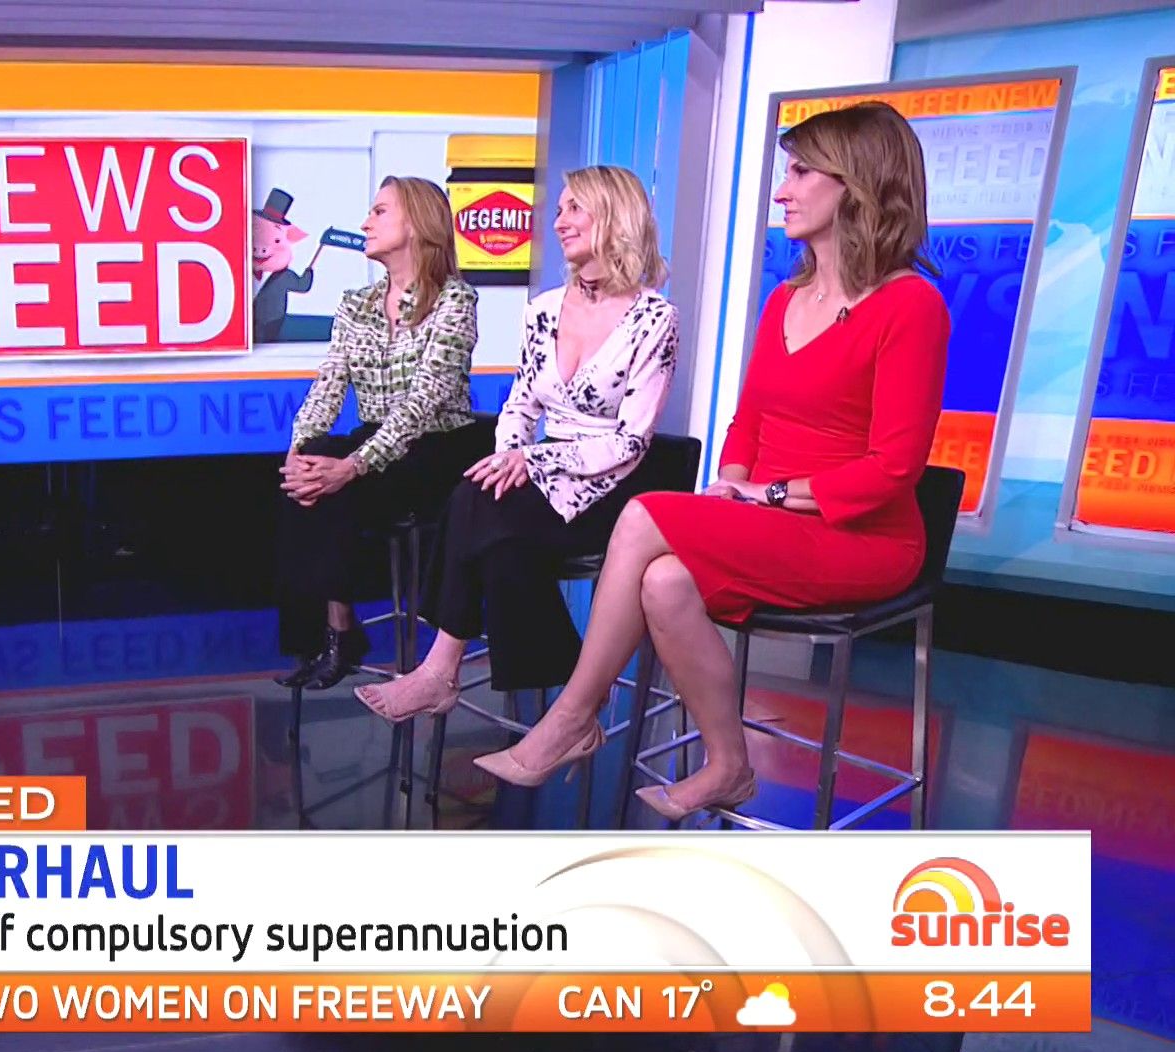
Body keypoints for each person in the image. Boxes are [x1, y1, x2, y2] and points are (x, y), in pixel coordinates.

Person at [472, 101, 950, 820]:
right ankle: (729, 764)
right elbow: (748, 422)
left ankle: (572, 717)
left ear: (856, 183)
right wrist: (732, 482)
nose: (782, 191)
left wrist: (768, 495)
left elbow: (894, 468)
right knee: (663, 581)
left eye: (801, 173)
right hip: (772, 515)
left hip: (861, 537)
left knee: (644, 515)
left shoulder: (911, 307)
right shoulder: (784, 299)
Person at [355, 166, 678, 722]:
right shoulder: (544, 309)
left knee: (478, 507)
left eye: (575, 208)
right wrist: (507, 455)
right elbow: (520, 405)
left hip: (615, 484)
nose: (559, 222)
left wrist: (530, 459)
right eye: (560, 209)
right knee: (493, 522)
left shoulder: (655, 319)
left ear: (614, 215)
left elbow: (630, 440)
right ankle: (571, 696)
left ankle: (442, 672)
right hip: (544, 471)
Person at [274, 176, 489, 691]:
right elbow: (329, 383)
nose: (365, 223)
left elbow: (424, 401)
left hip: (441, 442)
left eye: (379, 212)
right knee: (307, 474)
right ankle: (332, 631)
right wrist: (298, 450)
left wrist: (352, 467)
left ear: (416, 223)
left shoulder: (454, 299)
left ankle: (345, 637)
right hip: (378, 436)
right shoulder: (356, 304)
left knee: (340, 485)